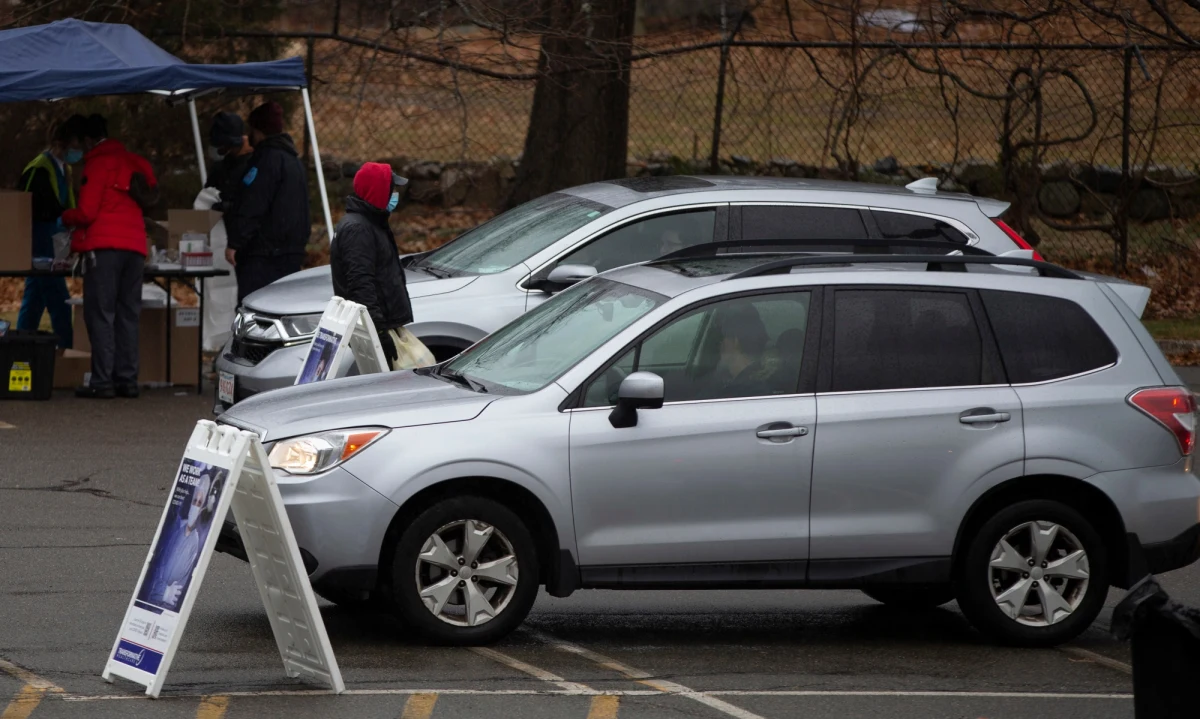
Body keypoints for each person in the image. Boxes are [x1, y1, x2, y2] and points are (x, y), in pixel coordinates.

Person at [63, 114, 157, 399]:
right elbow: (151, 190)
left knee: (101, 314)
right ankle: (127, 380)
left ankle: (102, 381)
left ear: (88, 140)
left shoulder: (97, 164)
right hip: (135, 247)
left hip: (104, 249)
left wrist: (66, 215)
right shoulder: (133, 161)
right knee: (128, 314)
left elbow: (88, 212)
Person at [331, 162, 434, 371]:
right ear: (377, 192)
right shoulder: (358, 229)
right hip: (377, 329)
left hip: (383, 326)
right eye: (391, 189)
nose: (395, 194)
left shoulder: (370, 223)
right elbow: (361, 284)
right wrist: (378, 333)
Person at [227, 101, 310, 305]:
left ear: (257, 130)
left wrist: (236, 242)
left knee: (254, 311)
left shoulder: (265, 161)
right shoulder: (293, 161)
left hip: (264, 256)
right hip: (291, 252)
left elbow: (254, 204)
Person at [16, 115, 87, 348]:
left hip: (54, 241)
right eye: (75, 146)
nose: (79, 151)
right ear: (61, 143)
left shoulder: (63, 169)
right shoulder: (40, 168)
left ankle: (19, 348)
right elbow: (36, 207)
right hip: (42, 243)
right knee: (58, 301)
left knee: (34, 300)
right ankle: (66, 350)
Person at [204, 111, 253, 240]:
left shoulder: (254, 164)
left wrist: (229, 206)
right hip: (221, 233)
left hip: (244, 236)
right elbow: (208, 190)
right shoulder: (222, 166)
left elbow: (255, 203)